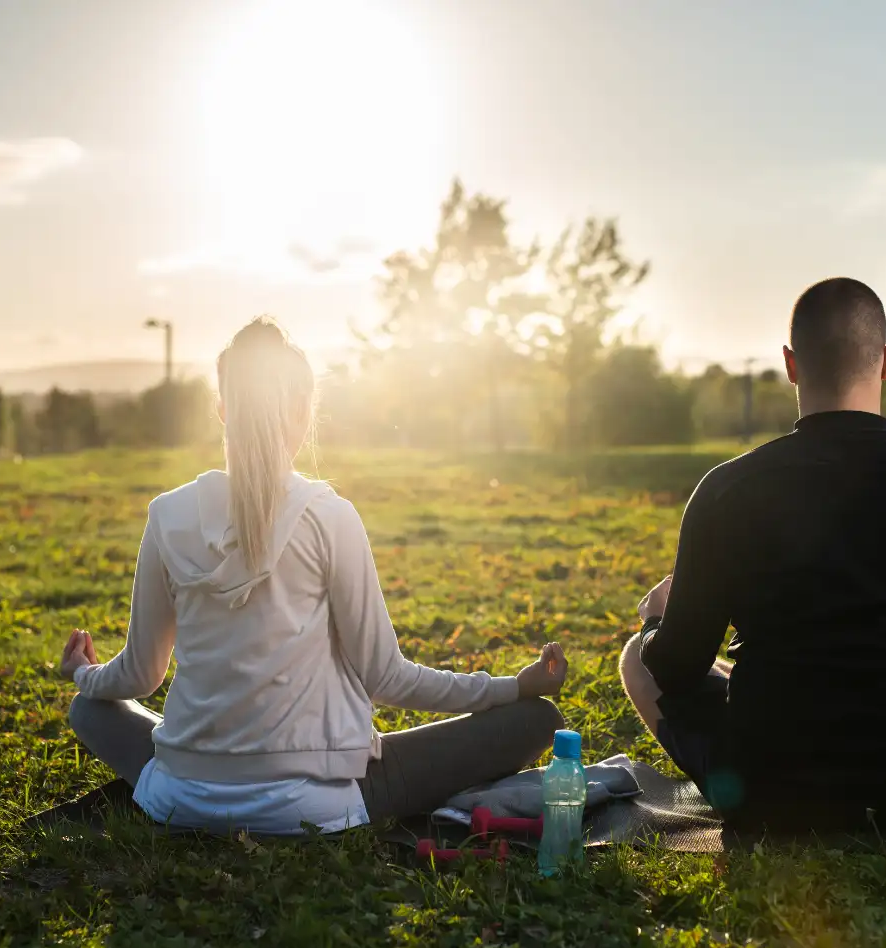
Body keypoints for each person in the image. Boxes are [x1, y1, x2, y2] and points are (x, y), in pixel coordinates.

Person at [58, 315, 567, 835]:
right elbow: (386, 677)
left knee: (90, 709)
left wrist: (83, 673)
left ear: (222, 410)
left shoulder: (166, 514)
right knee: (535, 721)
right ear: (303, 413)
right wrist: (511, 686)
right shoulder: (330, 515)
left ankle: (187, 765)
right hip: (315, 806)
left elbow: (140, 677)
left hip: (180, 797)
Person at [617, 278, 886, 830]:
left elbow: (676, 670)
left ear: (790, 364)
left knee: (638, 655)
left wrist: (658, 619)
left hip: (767, 785)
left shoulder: (726, 489)